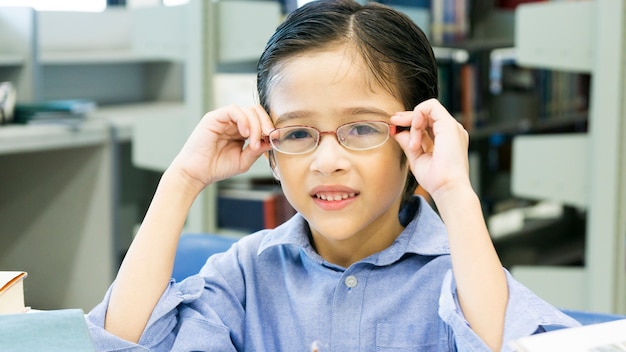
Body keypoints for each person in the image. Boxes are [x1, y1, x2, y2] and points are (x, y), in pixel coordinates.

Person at [86, 0, 579, 350]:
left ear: (417, 137)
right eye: (298, 134)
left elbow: (503, 345)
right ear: (271, 153)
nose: (327, 161)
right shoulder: (244, 274)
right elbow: (124, 344)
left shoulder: (466, 275)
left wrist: (454, 190)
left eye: (361, 128)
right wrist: (181, 180)